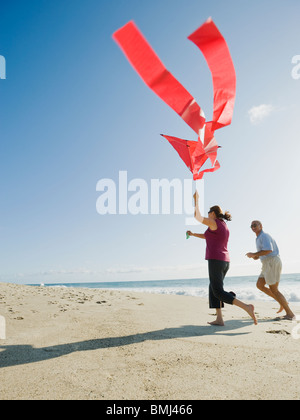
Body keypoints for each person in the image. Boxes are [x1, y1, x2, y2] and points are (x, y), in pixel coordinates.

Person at [187, 192, 257, 326]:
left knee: (218, 291)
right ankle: (219, 319)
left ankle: (246, 307)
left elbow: (197, 217)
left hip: (216, 260)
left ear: (213, 213)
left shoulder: (214, 222)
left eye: (209, 212)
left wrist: (196, 201)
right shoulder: (222, 225)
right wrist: (193, 234)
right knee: (213, 288)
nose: (207, 215)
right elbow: (207, 236)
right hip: (224, 261)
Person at [246, 221, 295, 320]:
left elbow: (269, 250)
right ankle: (282, 301)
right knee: (260, 285)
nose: (253, 227)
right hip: (266, 263)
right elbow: (264, 252)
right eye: (251, 226)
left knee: (274, 290)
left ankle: (290, 314)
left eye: (255, 225)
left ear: (261, 226)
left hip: (272, 262)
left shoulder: (264, 236)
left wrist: (254, 253)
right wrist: (255, 256)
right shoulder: (258, 238)